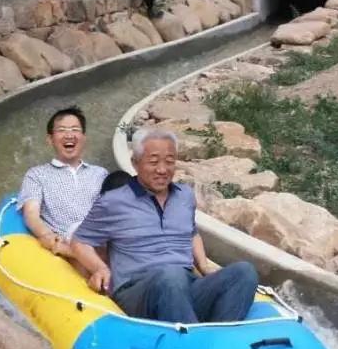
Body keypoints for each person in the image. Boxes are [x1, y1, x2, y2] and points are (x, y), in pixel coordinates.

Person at [71, 127, 259, 323]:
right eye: (153, 162)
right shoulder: (113, 201)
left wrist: (203, 265)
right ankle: (193, 339)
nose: (162, 170)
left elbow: (191, 232)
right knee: (170, 275)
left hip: (185, 284)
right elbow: (80, 241)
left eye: (169, 162)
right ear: (135, 163)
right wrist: (100, 269)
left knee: (244, 271)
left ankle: (220, 336)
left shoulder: (185, 196)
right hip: (137, 291)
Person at [18, 106, 107, 259]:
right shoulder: (37, 174)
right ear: (50, 139)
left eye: (75, 129)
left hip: (101, 236)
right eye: (62, 130)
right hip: (68, 239)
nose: (69, 135)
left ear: (84, 137)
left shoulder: (100, 173)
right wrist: (47, 236)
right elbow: (31, 214)